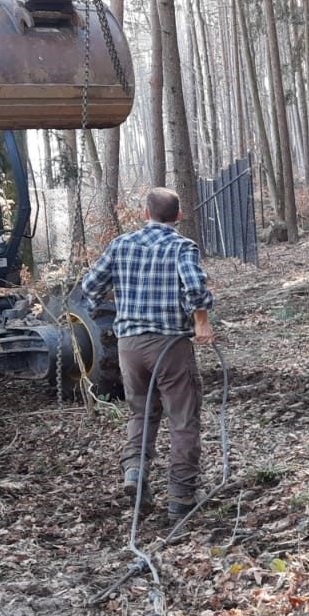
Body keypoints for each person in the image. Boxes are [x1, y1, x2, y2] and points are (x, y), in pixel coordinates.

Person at [78, 188, 217, 521]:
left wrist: (114, 304)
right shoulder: (182, 246)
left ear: (146, 214)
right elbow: (195, 288)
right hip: (170, 346)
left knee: (140, 413)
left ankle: (135, 474)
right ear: (178, 216)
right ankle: (181, 499)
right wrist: (202, 322)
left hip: (130, 347)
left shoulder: (120, 245)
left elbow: (89, 286)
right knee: (183, 421)